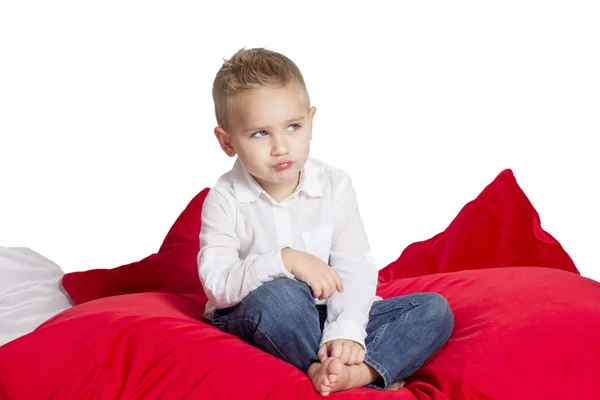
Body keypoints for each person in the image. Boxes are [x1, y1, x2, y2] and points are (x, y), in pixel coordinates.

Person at [198, 47, 454, 396]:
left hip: (323, 315)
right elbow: (216, 283)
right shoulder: (224, 200)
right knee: (282, 296)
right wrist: (284, 260)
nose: (280, 146)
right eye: (260, 133)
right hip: (262, 315)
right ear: (227, 141)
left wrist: (345, 331)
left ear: (311, 122)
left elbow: (354, 266)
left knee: (434, 311)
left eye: (293, 126)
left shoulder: (335, 186)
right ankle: (324, 368)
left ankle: (355, 372)